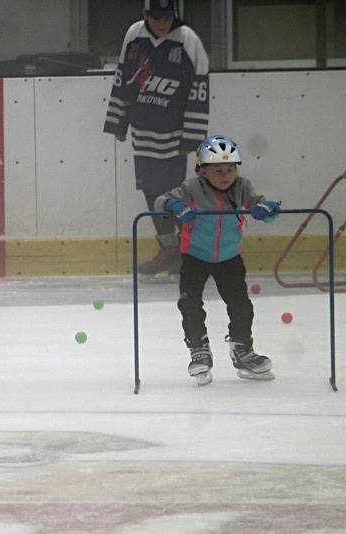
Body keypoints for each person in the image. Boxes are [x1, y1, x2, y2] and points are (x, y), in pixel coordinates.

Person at [155, 135, 280, 385]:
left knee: (241, 306)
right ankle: (199, 352)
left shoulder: (242, 186)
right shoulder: (191, 188)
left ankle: (242, 350)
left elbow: (261, 206)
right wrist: (174, 205)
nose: (225, 175)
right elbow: (160, 201)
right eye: (218, 170)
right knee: (190, 305)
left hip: (229, 258)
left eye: (230, 169)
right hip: (194, 257)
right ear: (202, 171)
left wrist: (267, 210)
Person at [103, 0, 210, 280]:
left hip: (174, 135)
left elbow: (200, 89)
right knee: (150, 191)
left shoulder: (188, 40)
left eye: (167, 17)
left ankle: (187, 255)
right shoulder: (134, 35)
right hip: (143, 131)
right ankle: (169, 251)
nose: (162, 24)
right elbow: (123, 79)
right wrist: (118, 120)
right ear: (145, 14)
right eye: (156, 17)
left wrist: (193, 135)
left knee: (173, 194)